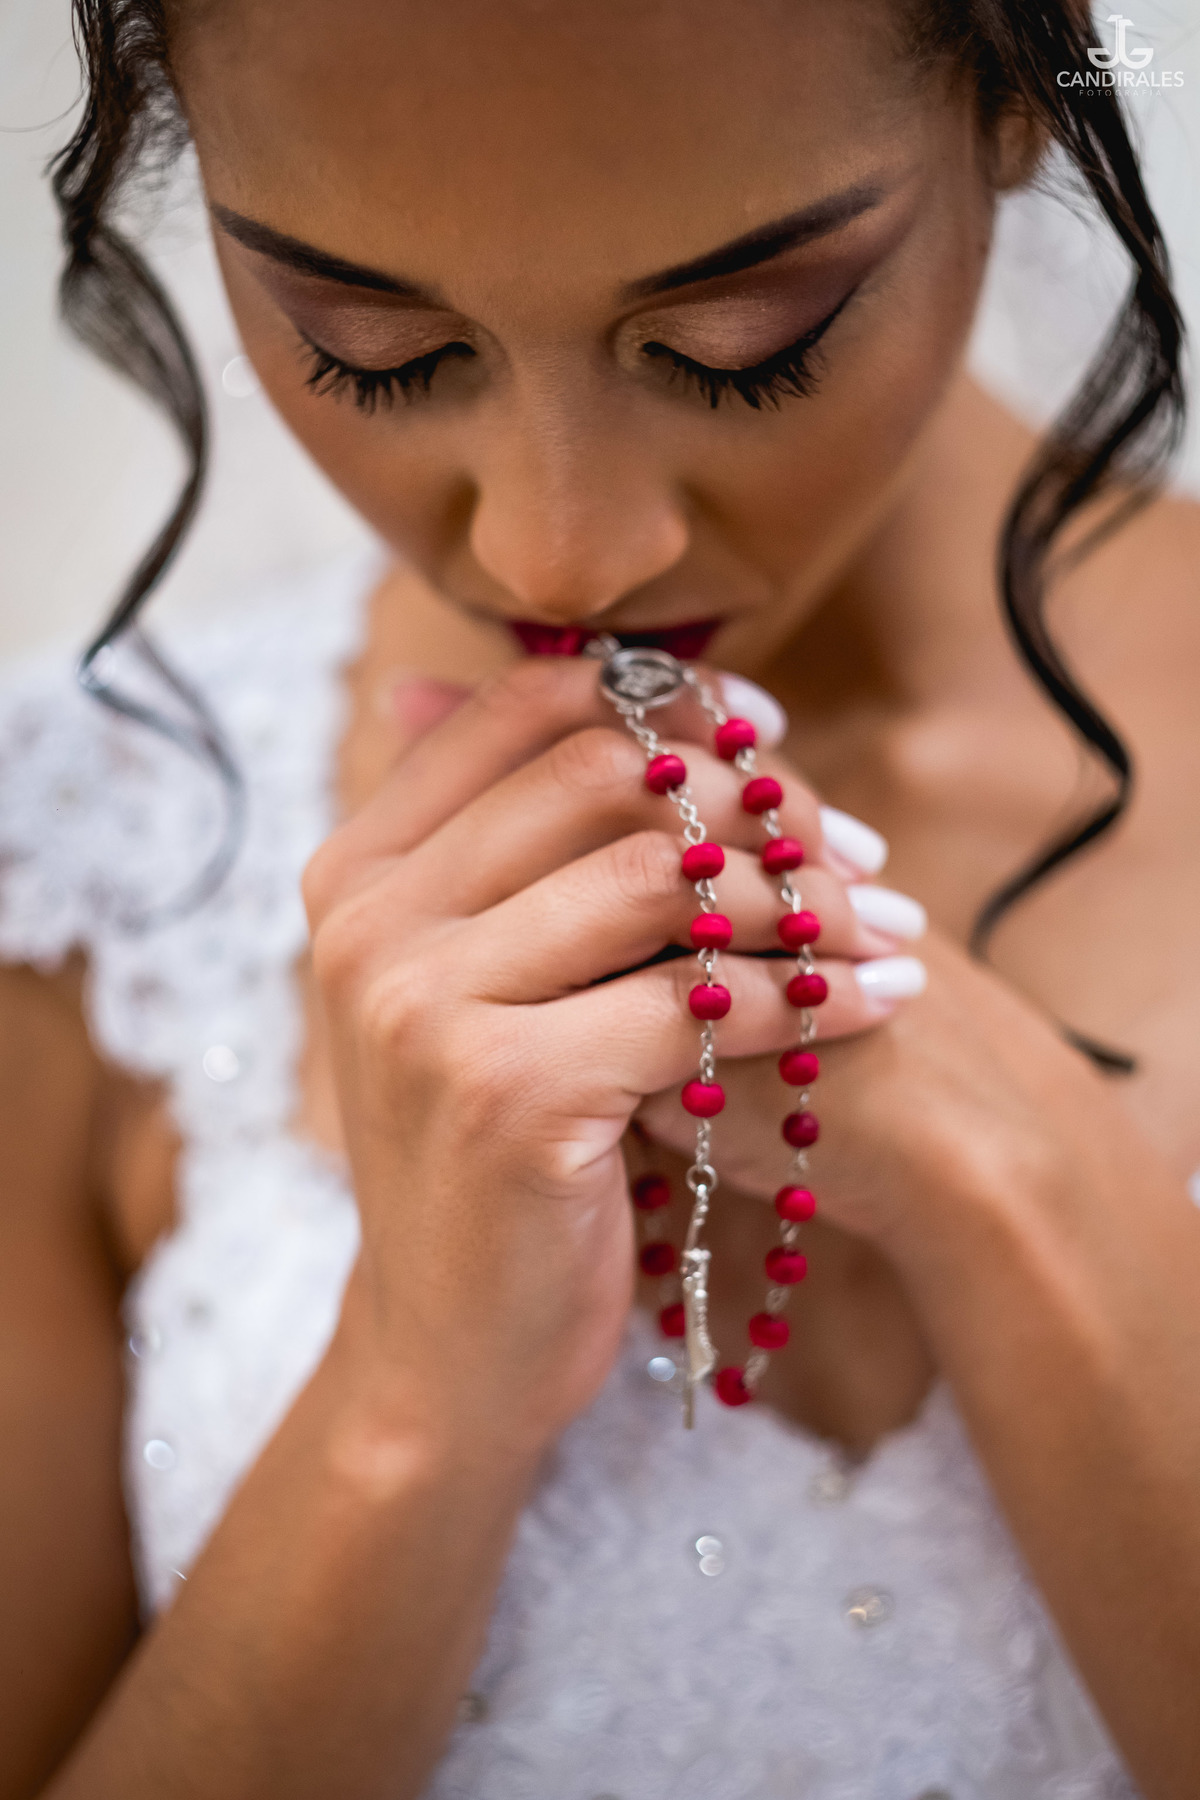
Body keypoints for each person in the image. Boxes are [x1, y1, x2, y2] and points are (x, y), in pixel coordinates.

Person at [2, 0, 1199, 1795]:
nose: (554, 554)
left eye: (737, 350)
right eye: (375, 351)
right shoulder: (83, 857)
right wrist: (409, 1406)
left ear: (1021, 87)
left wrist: (1024, 1196)